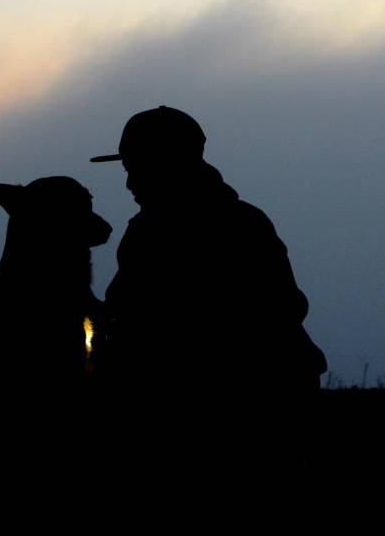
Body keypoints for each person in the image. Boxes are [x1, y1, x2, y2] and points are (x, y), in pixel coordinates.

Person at [90, 106, 326, 405]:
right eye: (129, 170)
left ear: (169, 165)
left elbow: (135, 317)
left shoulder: (153, 233)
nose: (130, 183)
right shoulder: (246, 220)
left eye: (138, 168)